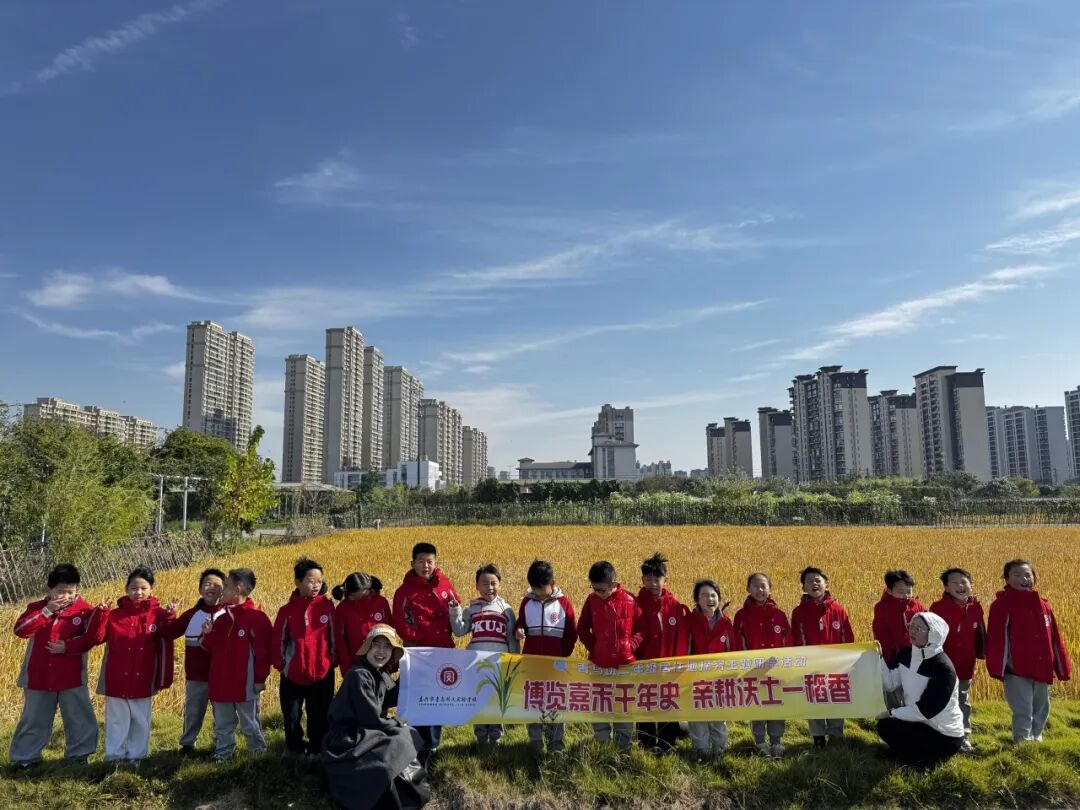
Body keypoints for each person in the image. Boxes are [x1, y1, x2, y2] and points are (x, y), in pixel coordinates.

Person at [9, 563, 109, 767]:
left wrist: (68, 646)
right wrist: (47, 611)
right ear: (49, 590)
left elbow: (93, 639)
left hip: (71, 677)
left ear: (77, 590)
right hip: (38, 676)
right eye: (60, 592)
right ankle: (25, 759)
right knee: (34, 718)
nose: (66, 596)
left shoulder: (84, 611)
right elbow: (21, 630)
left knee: (79, 717)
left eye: (71, 592)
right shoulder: (37, 608)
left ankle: (79, 756)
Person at [322, 624, 429, 810]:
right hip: (350, 735)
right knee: (401, 738)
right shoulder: (359, 676)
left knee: (407, 734)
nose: (381, 651)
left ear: (392, 652)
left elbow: (389, 697)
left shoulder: (381, 672)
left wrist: (407, 677)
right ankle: (393, 794)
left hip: (367, 728)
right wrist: (398, 724)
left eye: (387, 647)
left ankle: (410, 789)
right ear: (367, 649)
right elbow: (371, 717)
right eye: (376, 645)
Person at [98, 566, 179, 764]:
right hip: (116, 677)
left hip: (144, 676)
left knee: (141, 720)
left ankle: (137, 757)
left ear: (151, 589)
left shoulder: (158, 614)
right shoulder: (114, 615)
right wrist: (100, 615)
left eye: (143, 588)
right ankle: (114, 757)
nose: (138, 592)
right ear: (126, 589)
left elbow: (169, 634)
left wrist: (170, 616)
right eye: (134, 588)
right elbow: (97, 637)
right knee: (116, 720)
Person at [986, 559, 1072, 742]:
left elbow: (1055, 637)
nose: (1024, 579)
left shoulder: (1043, 605)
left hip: (1042, 666)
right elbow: (996, 638)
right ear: (1007, 579)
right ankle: (1023, 742)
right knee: (1022, 708)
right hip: (1016, 668)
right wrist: (997, 667)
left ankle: (1036, 738)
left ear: (1034, 578)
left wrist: (1061, 666)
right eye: (1017, 575)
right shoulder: (1002, 604)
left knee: (1041, 707)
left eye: (1028, 575)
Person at [391, 542, 459, 760]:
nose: (426, 566)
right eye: (421, 561)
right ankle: (416, 745)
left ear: (435, 563)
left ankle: (434, 745)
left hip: (443, 650)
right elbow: (400, 622)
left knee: (438, 698)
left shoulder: (444, 584)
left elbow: (455, 606)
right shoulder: (404, 592)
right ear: (412, 563)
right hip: (418, 652)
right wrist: (417, 637)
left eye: (429, 561)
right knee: (419, 698)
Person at [200, 567, 273, 762]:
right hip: (221, 681)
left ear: (238, 589)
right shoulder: (222, 619)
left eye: (226, 586)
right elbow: (212, 647)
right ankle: (224, 754)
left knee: (249, 722)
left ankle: (257, 754)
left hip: (244, 683)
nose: (221, 590)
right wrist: (207, 634)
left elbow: (263, 654)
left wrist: (259, 679)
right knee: (222, 722)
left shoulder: (257, 618)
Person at [877, 612, 965, 769]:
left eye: (918, 628)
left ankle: (918, 760)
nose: (912, 631)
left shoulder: (943, 669)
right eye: (911, 626)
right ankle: (910, 756)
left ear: (933, 634)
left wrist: (891, 712)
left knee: (891, 724)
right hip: (919, 723)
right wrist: (879, 657)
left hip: (944, 734)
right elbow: (890, 684)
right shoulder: (907, 654)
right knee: (885, 726)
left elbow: (926, 710)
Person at [273, 557, 337, 757]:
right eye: (311, 581)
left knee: (320, 714)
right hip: (293, 674)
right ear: (298, 582)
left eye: (319, 581)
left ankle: (318, 750)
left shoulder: (327, 607)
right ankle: (296, 750)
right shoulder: (287, 611)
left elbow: (334, 637)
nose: (316, 585)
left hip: (322, 673)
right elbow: (279, 640)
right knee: (292, 716)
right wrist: (282, 665)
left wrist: (331, 661)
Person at [449, 563, 519, 746]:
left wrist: (514, 662)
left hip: (499, 664)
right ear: (477, 586)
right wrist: (455, 611)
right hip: (477, 665)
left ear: (499, 584)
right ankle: (480, 737)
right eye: (485, 583)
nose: (490, 588)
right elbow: (459, 630)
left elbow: (512, 639)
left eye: (493, 583)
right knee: (478, 699)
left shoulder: (506, 610)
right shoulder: (472, 609)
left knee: (496, 700)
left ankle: (495, 738)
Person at [578, 560, 642, 752]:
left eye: (602, 589)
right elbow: (582, 628)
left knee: (623, 707)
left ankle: (623, 748)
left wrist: (631, 646)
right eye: (594, 588)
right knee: (600, 706)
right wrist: (595, 647)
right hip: (599, 665)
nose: (597, 592)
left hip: (625, 666)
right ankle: (602, 746)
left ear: (614, 583)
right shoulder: (591, 601)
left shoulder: (630, 600)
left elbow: (642, 628)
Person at [516, 559, 577, 754]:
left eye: (540, 589)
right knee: (532, 704)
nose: (537, 592)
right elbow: (521, 622)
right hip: (532, 664)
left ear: (552, 583)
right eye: (534, 589)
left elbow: (571, 633)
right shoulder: (527, 602)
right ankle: (535, 744)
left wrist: (562, 654)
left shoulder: (564, 603)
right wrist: (519, 629)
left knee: (555, 704)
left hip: (555, 667)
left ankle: (556, 745)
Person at [162, 567, 226, 754]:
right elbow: (169, 633)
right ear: (199, 590)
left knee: (222, 714)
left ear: (224, 590)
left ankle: (222, 745)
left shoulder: (228, 614)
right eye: (207, 584)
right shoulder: (192, 614)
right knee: (193, 712)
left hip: (222, 675)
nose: (211, 588)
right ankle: (188, 745)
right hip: (197, 675)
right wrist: (170, 615)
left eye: (216, 585)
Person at [790, 566, 854, 748]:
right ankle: (817, 736)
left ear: (827, 584)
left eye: (818, 580)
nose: (814, 584)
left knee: (835, 698)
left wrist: (845, 661)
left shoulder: (839, 610)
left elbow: (847, 638)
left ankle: (836, 734)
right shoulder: (798, 612)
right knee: (814, 699)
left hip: (835, 666)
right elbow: (798, 639)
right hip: (810, 666)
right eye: (809, 581)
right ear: (803, 587)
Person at [634, 552, 689, 754]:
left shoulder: (674, 605)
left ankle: (667, 744)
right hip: (644, 665)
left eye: (656, 579)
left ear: (665, 580)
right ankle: (646, 744)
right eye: (648, 579)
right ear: (642, 580)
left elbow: (681, 637)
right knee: (646, 702)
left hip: (669, 667)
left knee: (668, 702)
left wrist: (678, 663)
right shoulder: (636, 604)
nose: (652, 584)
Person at [733, 572, 791, 757]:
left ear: (770, 589)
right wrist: (749, 667)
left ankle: (776, 742)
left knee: (776, 705)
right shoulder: (741, 616)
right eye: (755, 586)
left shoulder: (779, 615)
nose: (760, 590)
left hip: (776, 671)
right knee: (757, 705)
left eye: (763, 586)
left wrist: (784, 666)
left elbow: (787, 642)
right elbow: (739, 642)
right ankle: (760, 742)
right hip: (753, 672)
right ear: (748, 589)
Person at [930, 567, 985, 752]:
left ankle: (963, 736)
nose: (960, 586)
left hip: (966, 665)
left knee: (962, 700)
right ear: (946, 588)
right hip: (942, 665)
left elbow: (980, 635)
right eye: (954, 583)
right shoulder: (937, 608)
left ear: (971, 585)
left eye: (964, 582)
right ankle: (940, 735)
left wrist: (982, 654)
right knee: (942, 700)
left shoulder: (976, 608)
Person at [686, 579, 733, 758]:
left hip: (719, 679)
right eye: (705, 595)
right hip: (695, 679)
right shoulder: (689, 622)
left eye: (713, 595)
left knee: (718, 715)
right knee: (697, 716)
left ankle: (719, 749)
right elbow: (685, 650)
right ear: (697, 600)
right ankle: (701, 750)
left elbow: (732, 652)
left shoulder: (726, 623)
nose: (710, 599)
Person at [873, 570, 926, 709]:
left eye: (909, 591)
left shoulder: (918, 606)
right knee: (893, 693)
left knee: (914, 694)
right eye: (901, 591)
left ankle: (912, 718)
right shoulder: (882, 608)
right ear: (889, 590)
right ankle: (893, 718)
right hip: (892, 658)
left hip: (914, 657)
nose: (906, 595)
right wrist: (887, 655)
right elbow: (880, 633)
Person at [333, 572, 392, 677]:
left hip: (382, 661)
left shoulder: (381, 602)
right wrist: (346, 668)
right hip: (357, 665)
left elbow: (390, 632)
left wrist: (392, 661)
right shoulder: (342, 609)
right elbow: (340, 641)